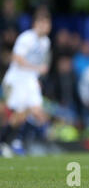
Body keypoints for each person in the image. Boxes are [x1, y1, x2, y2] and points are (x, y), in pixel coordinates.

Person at [0, 10, 52, 156]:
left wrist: (37, 78)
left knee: (35, 111)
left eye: (48, 23)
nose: (46, 26)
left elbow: (41, 63)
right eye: (43, 23)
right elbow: (17, 58)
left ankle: (14, 141)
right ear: (36, 24)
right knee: (9, 113)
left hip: (30, 80)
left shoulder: (46, 42)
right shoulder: (26, 38)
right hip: (17, 79)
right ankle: (8, 141)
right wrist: (36, 69)